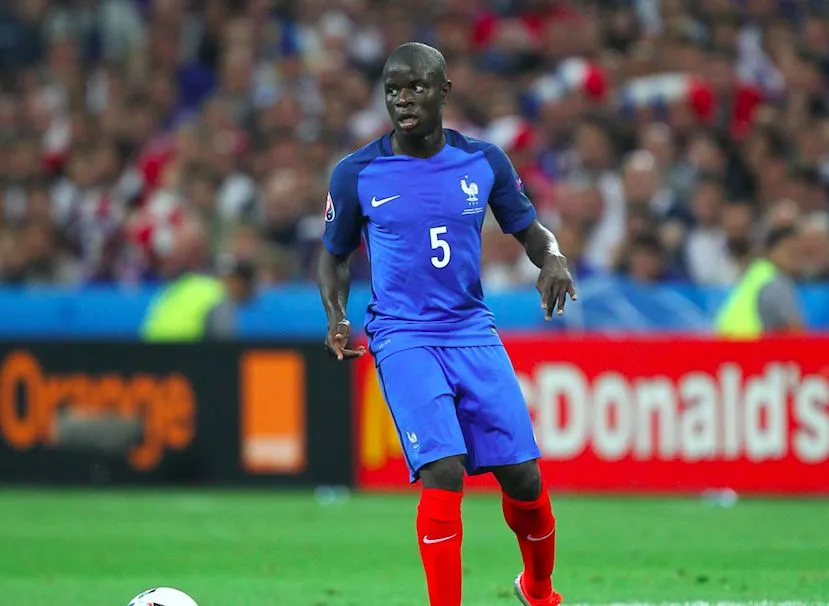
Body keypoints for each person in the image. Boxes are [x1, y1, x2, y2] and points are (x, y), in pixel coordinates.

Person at [317, 43, 576, 606]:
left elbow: (530, 230)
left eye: (416, 87)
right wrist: (336, 315)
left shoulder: (483, 162)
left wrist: (553, 259)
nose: (403, 99)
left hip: (471, 332)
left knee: (525, 479)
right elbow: (333, 255)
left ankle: (538, 589)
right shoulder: (356, 173)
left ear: (444, 91)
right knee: (443, 469)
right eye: (393, 89)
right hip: (403, 335)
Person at [715, 223, 805, 338]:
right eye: (791, 252)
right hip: (752, 346)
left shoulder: (754, 274)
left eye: (800, 253)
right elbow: (796, 333)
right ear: (772, 251)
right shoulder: (777, 283)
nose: (797, 258)